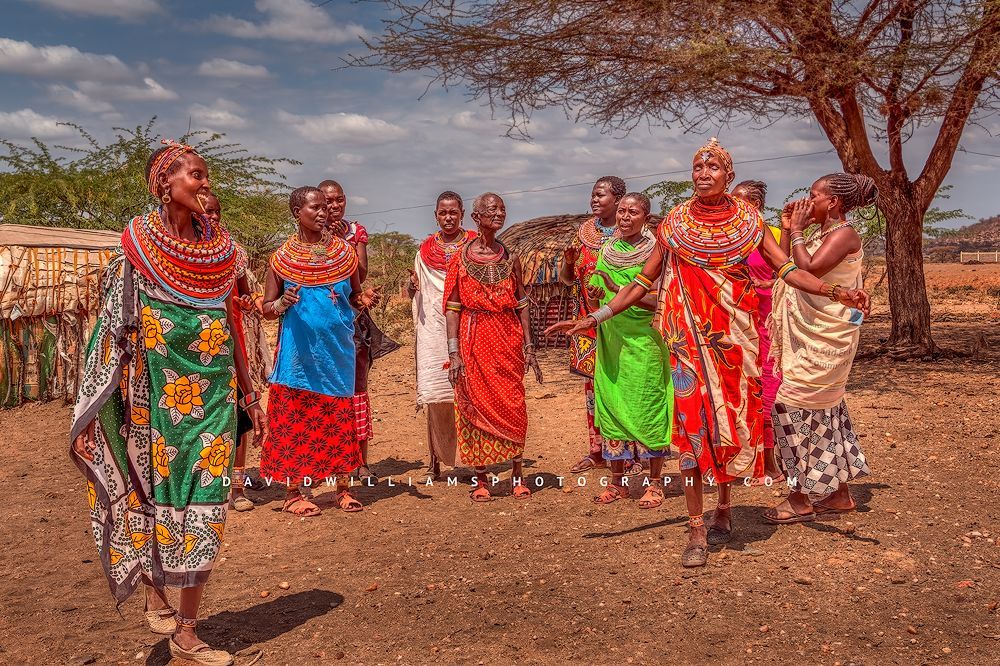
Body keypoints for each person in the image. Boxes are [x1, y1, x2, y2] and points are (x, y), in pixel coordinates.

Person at [547, 139, 869, 567]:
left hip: (732, 341)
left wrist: (835, 290)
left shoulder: (749, 221)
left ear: (728, 176)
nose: (703, 172)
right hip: (684, 342)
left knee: (729, 424)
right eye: (698, 166)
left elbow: (790, 270)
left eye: (713, 166)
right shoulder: (676, 223)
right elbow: (642, 282)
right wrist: (596, 317)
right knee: (691, 425)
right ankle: (696, 526)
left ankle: (724, 507)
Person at [70, 140, 265, 665]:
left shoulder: (223, 251)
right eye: (196, 176)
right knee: (157, 496)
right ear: (165, 183)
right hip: (153, 399)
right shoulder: (136, 246)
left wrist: (248, 391)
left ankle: (187, 628)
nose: (206, 184)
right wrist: (96, 401)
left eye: (207, 177)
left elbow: (230, 327)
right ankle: (158, 592)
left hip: (214, 398)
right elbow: (112, 329)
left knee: (208, 499)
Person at [763, 173, 875, 524]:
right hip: (813, 336)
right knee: (825, 410)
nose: (806, 202)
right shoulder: (820, 233)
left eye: (813, 196)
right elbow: (785, 268)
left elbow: (808, 268)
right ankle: (838, 494)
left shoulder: (844, 234)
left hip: (827, 338)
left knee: (790, 410)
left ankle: (799, 497)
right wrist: (787, 227)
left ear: (834, 203)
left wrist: (795, 230)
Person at [260, 186, 379, 516]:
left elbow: (353, 296)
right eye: (315, 207)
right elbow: (267, 308)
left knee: (337, 420)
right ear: (297, 212)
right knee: (296, 422)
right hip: (297, 359)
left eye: (326, 206)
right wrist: (281, 303)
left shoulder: (344, 254)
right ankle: (293, 492)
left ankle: (342, 489)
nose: (324, 212)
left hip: (337, 354)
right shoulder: (281, 259)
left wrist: (363, 300)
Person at [445, 192, 543, 501]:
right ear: (476, 217)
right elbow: (452, 306)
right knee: (472, 402)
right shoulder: (460, 258)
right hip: (473, 336)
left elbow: (522, 301)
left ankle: (517, 475)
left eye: (501, 208)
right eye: (491, 209)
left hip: (506, 336)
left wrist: (529, 345)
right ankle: (482, 478)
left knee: (513, 402)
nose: (498, 212)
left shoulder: (510, 257)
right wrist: (454, 352)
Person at [585, 193, 673, 508]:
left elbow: (658, 299)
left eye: (632, 212)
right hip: (612, 339)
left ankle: (654, 483)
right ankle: (618, 482)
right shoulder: (607, 251)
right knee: (611, 407)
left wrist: (619, 288)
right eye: (621, 211)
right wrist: (595, 292)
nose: (624, 217)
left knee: (649, 406)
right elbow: (596, 299)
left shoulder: (657, 253)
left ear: (646, 218)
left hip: (646, 339)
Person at [559, 177, 642, 477]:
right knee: (593, 389)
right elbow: (569, 280)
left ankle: (630, 451)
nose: (594, 200)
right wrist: (569, 264)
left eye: (601, 195)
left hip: (623, 323)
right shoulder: (582, 236)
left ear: (619, 199)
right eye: (593, 195)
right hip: (587, 323)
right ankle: (598, 450)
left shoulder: (633, 235)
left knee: (623, 385)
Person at [318, 179, 399, 483]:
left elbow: (361, 273)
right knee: (326, 389)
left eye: (339, 200)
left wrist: (344, 244)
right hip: (322, 321)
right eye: (328, 201)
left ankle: (360, 461)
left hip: (352, 319)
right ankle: (331, 459)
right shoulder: (309, 238)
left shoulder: (356, 232)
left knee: (357, 388)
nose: (334, 206)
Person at [202, 194, 271, 512]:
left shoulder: (234, 252)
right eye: (206, 211)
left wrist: (251, 303)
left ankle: (237, 488)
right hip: (195, 346)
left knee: (240, 415)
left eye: (216, 211)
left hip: (233, 342)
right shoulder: (178, 252)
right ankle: (206, 486)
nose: (212, 217)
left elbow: (244, 295)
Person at [409, 191, 476, 478]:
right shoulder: (424, 251)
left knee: (472, 392)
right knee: (437, 394)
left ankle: (476, 458)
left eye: (453, 212)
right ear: (436, 215)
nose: (448, 218)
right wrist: (412, 287)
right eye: (442, 213)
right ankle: (435, 460)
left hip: (470, 324)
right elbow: (416, 292)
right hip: (434, 329)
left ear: (462, 213)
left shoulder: (476, 246)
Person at [731, 181, 785, 485]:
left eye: (739, 202)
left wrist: (768, 286)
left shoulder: (773, 235)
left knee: (766, 392)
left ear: (755, 204)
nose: (734, 207)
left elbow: (788, 274)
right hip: (736, 326)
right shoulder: (729, 239)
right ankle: (745, 460)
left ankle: (770, 463)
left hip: (766, 326)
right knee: (739, 394)